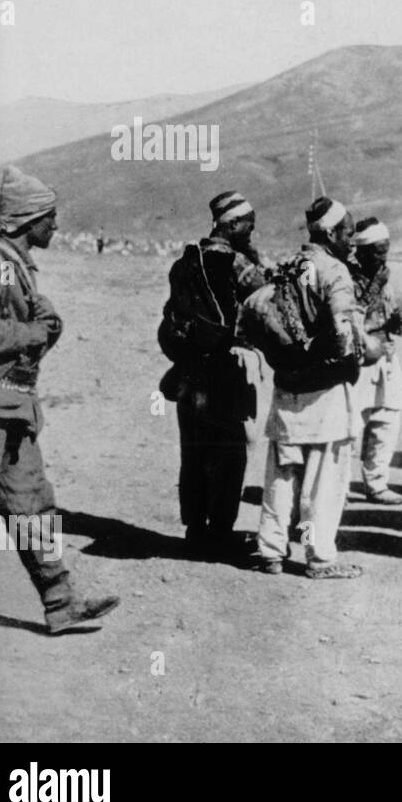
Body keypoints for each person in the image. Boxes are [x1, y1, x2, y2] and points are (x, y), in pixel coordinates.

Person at [0, 166, 120, 633]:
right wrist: (32, 331)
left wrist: (46, 326)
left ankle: (60, 602)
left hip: (11, 410)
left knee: (32, 505)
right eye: (50, 217)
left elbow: (22, 332)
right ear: (30, 220)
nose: (56, 226)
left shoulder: (17, 264)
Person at [253, 197, 365, 579]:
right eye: (348, 232)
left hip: (287, 387)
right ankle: (319, 559)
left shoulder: (290, 266)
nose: (353, 240)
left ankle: (270, 551)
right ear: (331, 233)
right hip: (324, 394)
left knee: (281, 475)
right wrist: (348, 361)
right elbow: (343, 329)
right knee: (323, 480)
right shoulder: (333, 270)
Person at [159, 191, 268, 559]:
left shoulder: (186, 262)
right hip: (228, 367)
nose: (251, 231)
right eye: (248, 224)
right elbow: (267, 297)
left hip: (189, 369)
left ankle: (195, 529)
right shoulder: (238, 264)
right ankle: (220, 532)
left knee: (193, 450)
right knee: (229, 451)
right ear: (233, 224)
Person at [348, 218, 402, 506]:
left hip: (385, 355)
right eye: (376, 251)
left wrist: (399, 321)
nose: (383, 256)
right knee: (351, 425)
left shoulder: (385, 276)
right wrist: (376, 285)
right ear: (360, 252)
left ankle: (376, 483)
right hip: (358, 360)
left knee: (387, 421)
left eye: (385, 249)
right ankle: (338, 485)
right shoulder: (347, 276)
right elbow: (355, 314)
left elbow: (393, 314)